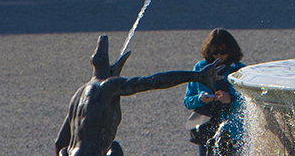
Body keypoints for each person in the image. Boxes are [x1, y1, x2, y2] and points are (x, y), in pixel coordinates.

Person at [56, 34, 223, 156]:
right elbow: (152, 81)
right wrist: (196, 76)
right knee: (115, 149)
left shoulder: (79, 94)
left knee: (114, 148)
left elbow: (59, 142)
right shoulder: (108, 86)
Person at [185, 29, 246, 156]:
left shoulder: (241, 70)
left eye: (223, 52)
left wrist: (231, 99)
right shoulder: (200, 69)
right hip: (207, 130)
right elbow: (188, 101)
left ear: (231, 51)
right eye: (214, 52)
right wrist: (200, 99)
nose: (218, 56)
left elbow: (250, 102)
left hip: (234, 132)